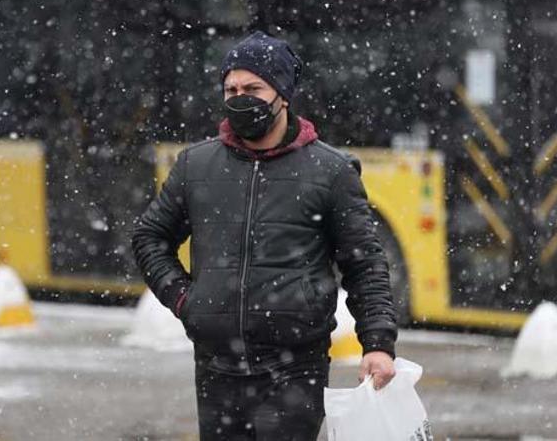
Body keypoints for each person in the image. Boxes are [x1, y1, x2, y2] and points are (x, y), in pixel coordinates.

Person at [132, 31, 398, 440]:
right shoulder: (196, 165)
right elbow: (150, 237)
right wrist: (188, 301)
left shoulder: (330, 171)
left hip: (296, 368)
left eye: (253, 88)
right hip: (217, 368)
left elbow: (365, 264)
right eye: (231, 89)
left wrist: (377, 343)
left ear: (283, 95)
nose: (241, 98)